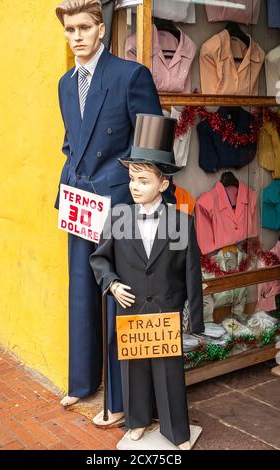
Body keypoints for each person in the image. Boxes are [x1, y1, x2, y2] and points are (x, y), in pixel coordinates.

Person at [55, 0, 168, 425]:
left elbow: (152, 144)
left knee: (121, 297)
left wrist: (140, 198)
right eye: (70, 30)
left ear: (101, 29)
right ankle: (83, 382)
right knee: (82, 288)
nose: (77, 36)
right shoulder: (65, 83)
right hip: (79, 199)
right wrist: (69, 182)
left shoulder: (130, 75)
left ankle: (122, 401)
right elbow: (72, 142)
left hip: (119, 203)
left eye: (84, 27)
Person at [90, 114, 204, 449]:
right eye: (132, 179)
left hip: (166, 307)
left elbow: (192, 271)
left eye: (143, 181)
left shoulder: (182, 222)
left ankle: (175, 430)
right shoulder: (117, 217)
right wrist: (111, 284)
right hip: (130, 306)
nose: (135, 187)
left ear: (163, 184)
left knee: (169, 371)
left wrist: (193, 318)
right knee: (134, 369)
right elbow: (99, 258)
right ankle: (137, 421)